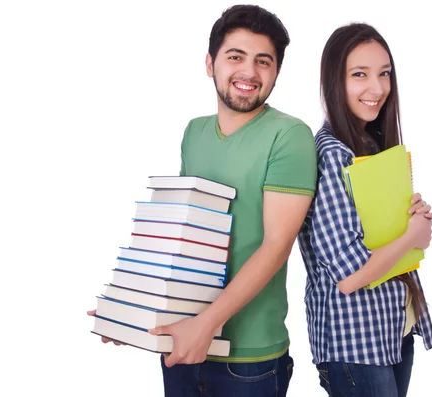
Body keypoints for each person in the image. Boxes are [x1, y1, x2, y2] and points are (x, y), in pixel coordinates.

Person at [89, 4, 317, 397]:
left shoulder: (290, 135)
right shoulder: (193, 133)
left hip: (248, 359)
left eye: (264, 61)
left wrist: (206, 323)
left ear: (277, 72)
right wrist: (138, 314)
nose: (249, 72)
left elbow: (277, 245)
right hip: (183, 344)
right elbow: (182, 237)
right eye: (235, 57)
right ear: (210, 63)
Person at [296, 22, 432, 397]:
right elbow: (350, 277)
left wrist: (412, 218)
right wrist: (411, 236)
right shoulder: (332, 155)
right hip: (355, 346)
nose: (377, 88)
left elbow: (379, 236)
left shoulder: (369, 145)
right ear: (333, 81)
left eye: (384, 74)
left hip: (391, 330)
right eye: (360, 74)